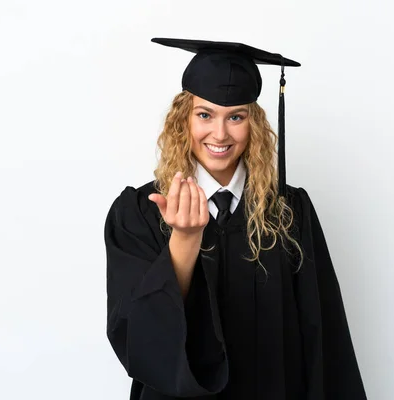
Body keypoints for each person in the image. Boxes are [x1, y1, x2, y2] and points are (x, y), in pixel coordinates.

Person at [104, 38, 367, 400]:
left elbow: (324, 337)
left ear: (253, 124)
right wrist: (184, 238)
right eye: (205, 114)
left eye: (236, 117)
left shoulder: (290, 212)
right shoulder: (140, 212)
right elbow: (135, 337)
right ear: (183, 119)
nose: (220, 133)